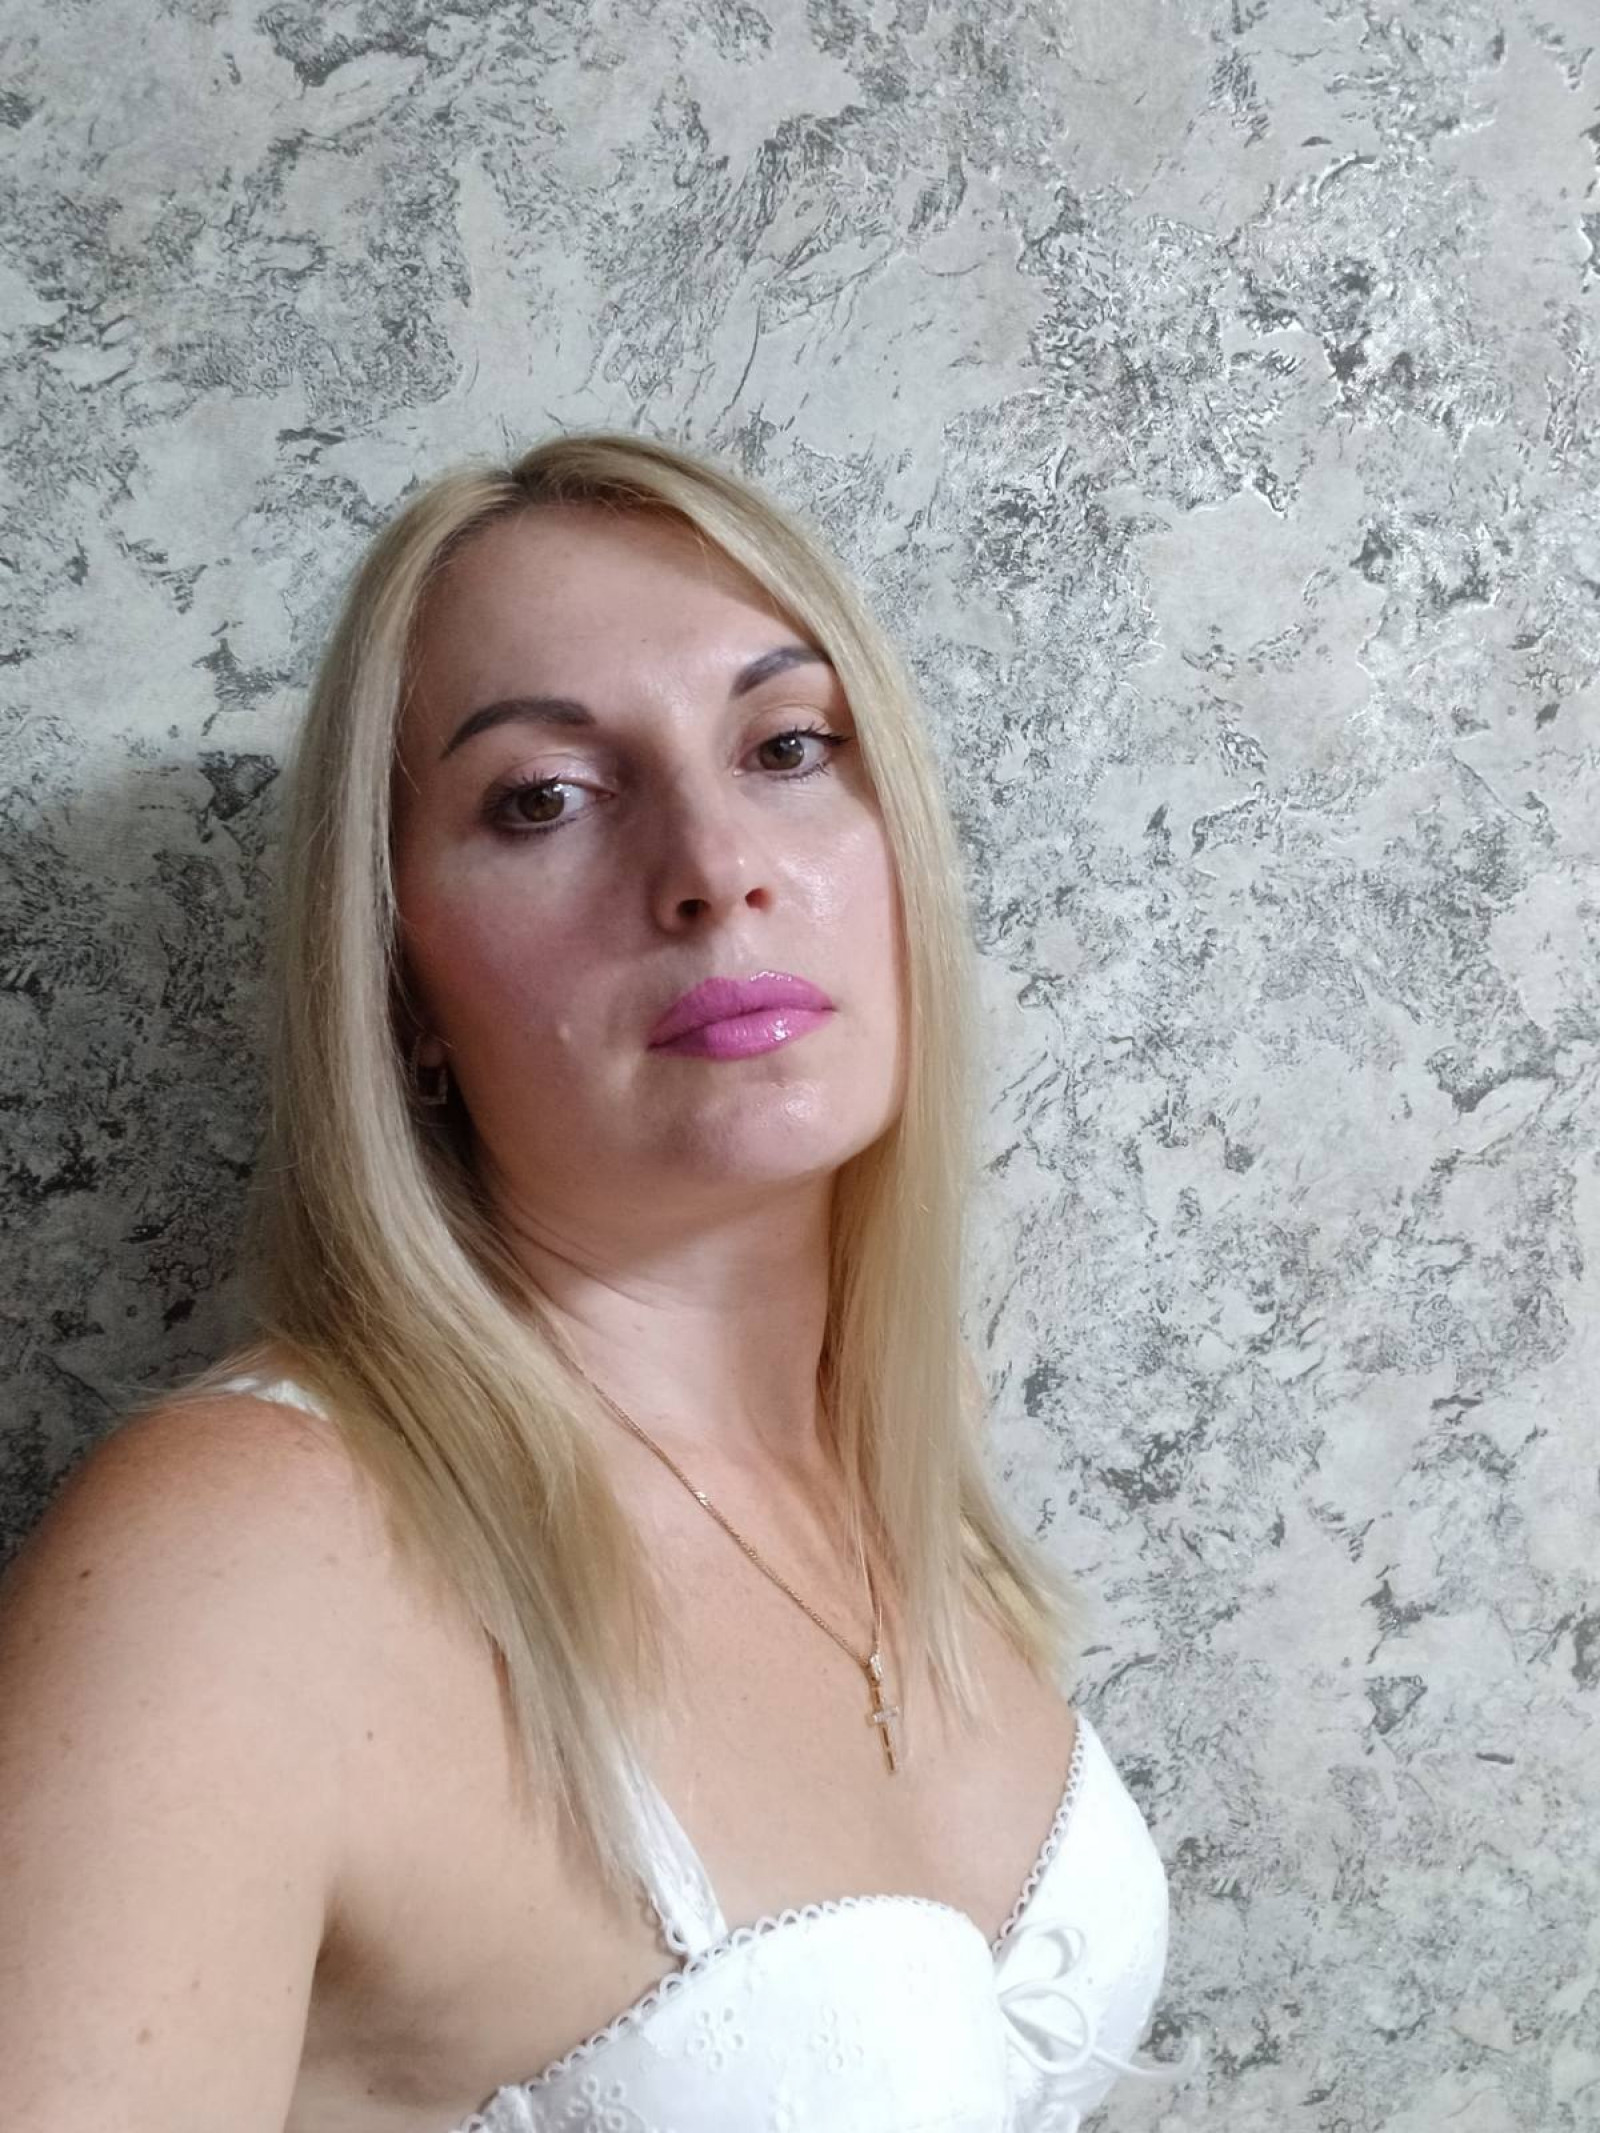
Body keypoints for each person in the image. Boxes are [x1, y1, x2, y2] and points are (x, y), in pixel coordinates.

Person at [0, 431, 1201, 2130]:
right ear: (400, 980)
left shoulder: (897, 1483)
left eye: (790, 746)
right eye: (544, 798)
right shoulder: (245, 1561)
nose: (713, 863)